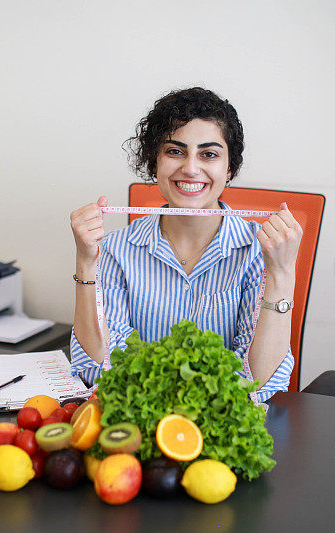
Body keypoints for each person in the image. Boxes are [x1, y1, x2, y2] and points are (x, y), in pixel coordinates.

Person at [69, 87, 301, 402]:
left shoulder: (261, 253)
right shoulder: (114, 250)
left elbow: (260, 383)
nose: (191, 168)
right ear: (154, 162)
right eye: (175, 151)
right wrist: (86, 261)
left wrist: (282, 273)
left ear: (229, 168)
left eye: (209, 154)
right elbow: (96, 371)